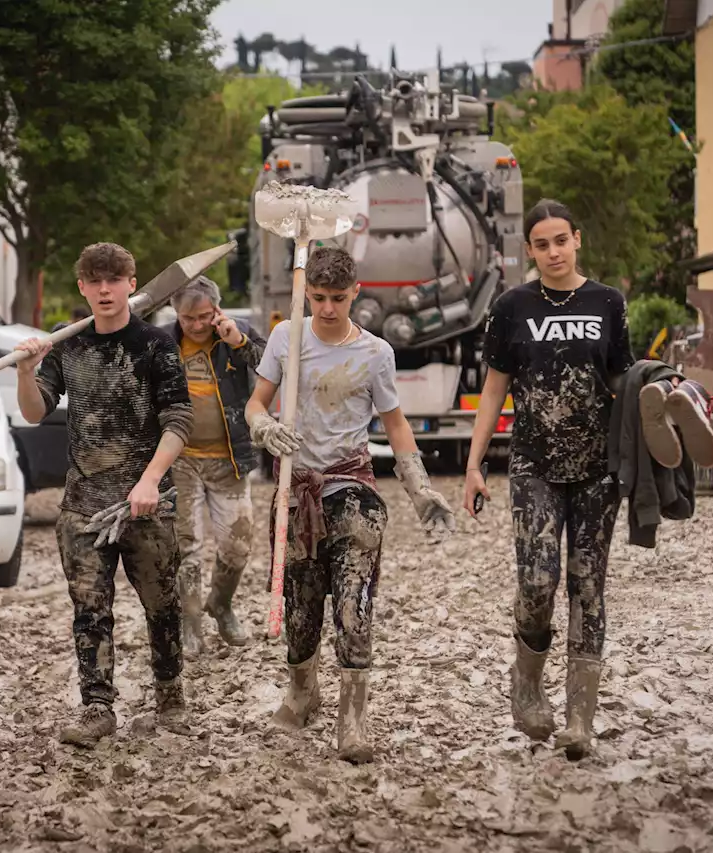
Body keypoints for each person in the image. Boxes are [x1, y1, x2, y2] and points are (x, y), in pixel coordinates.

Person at [245, 246, 456, 764]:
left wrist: (420, 487)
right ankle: (301, 691)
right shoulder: (285, 338)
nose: (328, 309)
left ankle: (353, 718)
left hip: (351, 486)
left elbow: (395, 422)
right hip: (296, 491)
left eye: (338, 298)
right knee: (301, 607)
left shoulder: (375, 353)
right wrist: (263, 426)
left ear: (355, 294)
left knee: (353, 604)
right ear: (308, 294)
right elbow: (256, 401)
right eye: (318, 298)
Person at [462, 199, 635, 761]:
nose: (554, 252)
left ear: (577, 239)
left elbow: (624, 384)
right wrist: (473, 464)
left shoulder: (608, 302)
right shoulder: (512, 306)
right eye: (542, 244)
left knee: (588, 587)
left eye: (562, 240)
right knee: (537, 583)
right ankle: (527, 678)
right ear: (529, 250)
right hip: (534, 464)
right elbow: (493, 391)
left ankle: (580, 719)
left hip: (597, 470)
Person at [14, 242, 194, 747]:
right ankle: (97, 707)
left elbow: (179, 420)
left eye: (114, 280)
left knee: (162, 605)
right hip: (84, 506)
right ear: (83, 288)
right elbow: (34, 410)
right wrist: (27, 371)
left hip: (147, 501)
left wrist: (150, 480)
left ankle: (170, 696)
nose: (104, 289)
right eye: (94, 281)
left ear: (131, 284)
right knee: (89, 610)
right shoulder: (68, 345)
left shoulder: (155, 345)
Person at [161, 276, 267, 658]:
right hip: (180, 459)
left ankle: (220, 604)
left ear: (217, 310)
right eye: (188, 318)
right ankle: (190, 621)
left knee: (238, 545)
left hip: (229, 458)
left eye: (204, 316)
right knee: (186, 545)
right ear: (176, 313)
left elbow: (274, 365)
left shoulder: (237, 335)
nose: (197, 325)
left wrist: (237, 340)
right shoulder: (163, 341)